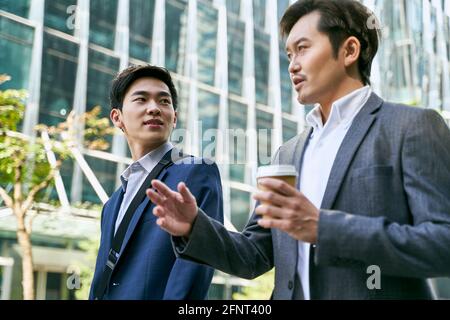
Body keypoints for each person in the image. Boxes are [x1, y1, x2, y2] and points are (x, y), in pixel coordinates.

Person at [146, 0, 450, 300]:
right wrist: (194, 226)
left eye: (303, 48)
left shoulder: (412, 127)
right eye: (289, 54)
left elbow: (443, 243)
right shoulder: (287, 154)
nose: (292, 64)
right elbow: (254, 255)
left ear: (349, 50)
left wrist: (324, 228)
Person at [89, 65, 223, 300]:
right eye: (141, 99)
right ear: (117, 117)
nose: (154, 109)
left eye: (164, 101)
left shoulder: (195, 171)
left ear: (174, 117)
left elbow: (193, 270)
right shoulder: (111, 204)